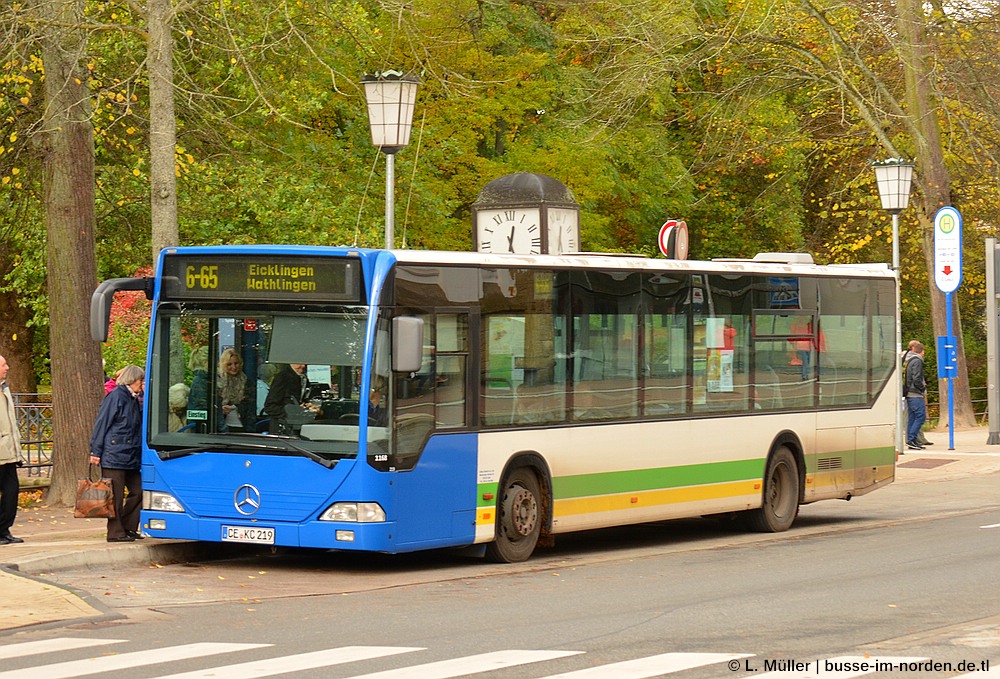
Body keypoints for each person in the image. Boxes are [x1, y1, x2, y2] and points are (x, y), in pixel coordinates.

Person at [89, 365, 145, 542]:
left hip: (129, 455)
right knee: (116, 496)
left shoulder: (133, 398)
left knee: (139, 490)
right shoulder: (116, 397)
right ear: (133, 380)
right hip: (114, 455)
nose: (142, 384)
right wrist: (95, 451)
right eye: (141, 380)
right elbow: (102, 424)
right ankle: (115, 532)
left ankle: (127, 527)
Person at [0, 355, 24, 545]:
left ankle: (4, 530)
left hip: (9, 453)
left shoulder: (4, 389)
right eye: (3, 365)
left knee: (11, 492)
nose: (8, 367)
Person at [263, 364, 311, 433]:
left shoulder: (303, 378)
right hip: (283, 429)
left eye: (305, 363)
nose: (303, 366)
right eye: (299, 363)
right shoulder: (283, 378)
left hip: (297, 427)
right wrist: (292, 412)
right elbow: (270, 407)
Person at [218, 348, 253, 432]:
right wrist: (220, 409)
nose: (233, 367)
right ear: (224, 364)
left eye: (236, 363)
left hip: (242, 425)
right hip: (222, 426)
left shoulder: (246, 380)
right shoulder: (217, 381)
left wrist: (236, 407)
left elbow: (250, 405)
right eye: (229, 364)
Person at [902, 340, 929, 451]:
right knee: (920, 416)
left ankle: (911, 440)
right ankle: (912, 439)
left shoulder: (908, 360)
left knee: (912, 418)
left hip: (908, 392)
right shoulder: (917, 361)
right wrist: (922, 388)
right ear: (922, 351)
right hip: (915, 393)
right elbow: (916, 377)